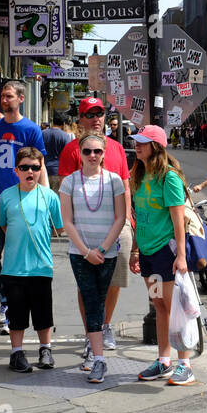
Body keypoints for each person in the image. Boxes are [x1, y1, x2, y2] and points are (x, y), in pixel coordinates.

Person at [59, 96, 133, 352]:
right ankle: (91, 331)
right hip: (85, 226)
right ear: (80, 120)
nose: (96, 119)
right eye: (89, 114)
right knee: (87, 283)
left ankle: (105, 325)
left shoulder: (117, 147)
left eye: (99, 114)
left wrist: (130, 220)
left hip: (118, 224)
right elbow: (65, 190)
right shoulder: (71, 151)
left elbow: (125, 186)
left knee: (114, 279)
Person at [128, 126, 197, 386]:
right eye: (137, 142)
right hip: (147, 251)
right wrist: (135, 249)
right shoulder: (140, 174)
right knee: (159, 306)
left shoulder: (169, 178)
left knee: (174, 308)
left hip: (165, 253)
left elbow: (178, 221)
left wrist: (181, 256)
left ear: (156, 146)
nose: (137, 146)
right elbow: (139, 218)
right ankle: (163, 361)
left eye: (143, 142)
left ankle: (185, 364)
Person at [60, 133, 126, 383]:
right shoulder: (69, 182)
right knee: (90, 301)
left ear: (104, 153)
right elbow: (67, 221)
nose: (92, 156)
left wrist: (103, 248)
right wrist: (86, 252)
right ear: (80, 152)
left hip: (106, 252)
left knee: (99, 300)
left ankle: (95, 354)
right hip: (80, 253)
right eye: (87, 151)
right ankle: (98, 358)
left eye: (97, 151)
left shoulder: (114, 181)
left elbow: (120, 217)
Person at [0, 81, 47, 335]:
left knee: (18, 256)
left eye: (8, 96)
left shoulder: (31, 129)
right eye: (2, 95)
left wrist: (43, 198)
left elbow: (39, 166)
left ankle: (18, 308)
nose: (4, 99)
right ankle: (5, 302)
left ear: (21, 98)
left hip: (22, 200)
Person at [0, 146, 63, 371]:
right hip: (14, 267)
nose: (30, 172)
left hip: (41, 266)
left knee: (43, 312)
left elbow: (58, 228)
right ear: (16, 170)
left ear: (40, 169)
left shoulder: (49, 196)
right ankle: (16, 352)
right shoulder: (7, 196)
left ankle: (46, 349)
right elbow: (5, 225)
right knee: (16, 313)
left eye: (35, 168)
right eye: (25, 167)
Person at [41, 112, 72, 188]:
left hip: (43, 170)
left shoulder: (42, 133)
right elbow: (67, 156)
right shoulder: (65, 136)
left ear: (52, 122)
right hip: (58, 172)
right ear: (64, 124)